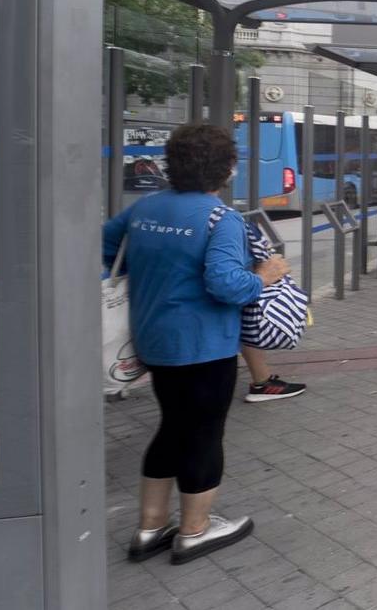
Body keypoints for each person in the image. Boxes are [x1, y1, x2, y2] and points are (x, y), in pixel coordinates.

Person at [103, 124, 289, 565]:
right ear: (226, 168)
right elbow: (227, 285)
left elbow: (107, 250)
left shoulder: (145, 208)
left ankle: (149, 528)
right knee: (204, 435)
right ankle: (194, 530)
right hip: (204, 347)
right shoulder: (219, 218)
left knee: (172, 426)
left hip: (153, 341)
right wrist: (265, 275)